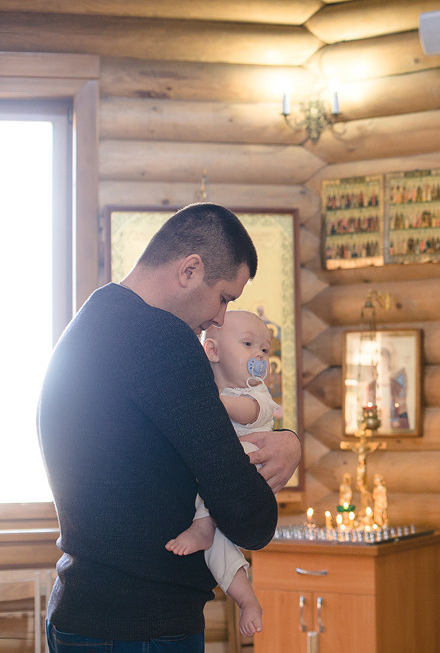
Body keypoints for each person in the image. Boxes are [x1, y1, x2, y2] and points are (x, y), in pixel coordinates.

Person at [37, 203, 302, 652]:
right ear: (190, 269)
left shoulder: (95, 318)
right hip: (139, 627)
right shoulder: (162, 341)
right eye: (224, 297)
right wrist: (288, 448)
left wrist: (285, 441)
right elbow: (249, 516)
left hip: (86, 610)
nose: (220, 318)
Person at [165, 310, 282, 638]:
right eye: (249, 344)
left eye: (265, 349)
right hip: (215, 493)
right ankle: (247, 601)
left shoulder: (255, 393)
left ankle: (204, 524)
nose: (259, 354)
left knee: (227, 459)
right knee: (219, 552)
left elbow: (251, 412)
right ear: (213, 351)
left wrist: (212, 404)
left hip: (246, 470)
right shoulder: (206, 386)